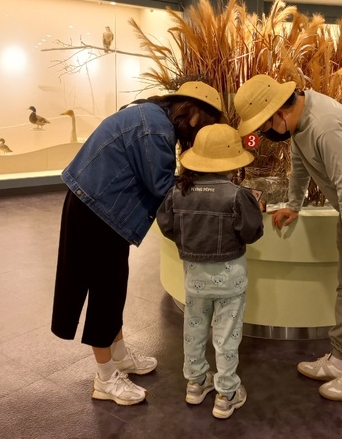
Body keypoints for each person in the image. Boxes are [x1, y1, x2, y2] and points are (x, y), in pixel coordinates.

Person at [234, 74, 342, 402]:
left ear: (279, 113)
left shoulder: (324, 125)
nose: (263, 134)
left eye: (262, 127)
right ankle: (341, 358)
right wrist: (294, 204)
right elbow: (300, 163)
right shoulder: (301, 122)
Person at [51, 81, 224, 406]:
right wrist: (210, 190)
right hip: (97, 211)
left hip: (99, 207)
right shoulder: (156, 130)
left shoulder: (150, 115)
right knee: (105, 293)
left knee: (114, 288)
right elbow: (163, 188)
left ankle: (118, 356)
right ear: (195, 116)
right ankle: (105, 379)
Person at [157, 123, 264, 419]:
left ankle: (195, 383)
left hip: (194, 279)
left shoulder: (178, 192)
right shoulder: (237, 195)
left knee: (193, 330)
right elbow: (252, 232)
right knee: (227, 337)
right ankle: (226, 394)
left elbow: (167, 226)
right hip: (231, 280)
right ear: (232, 162)